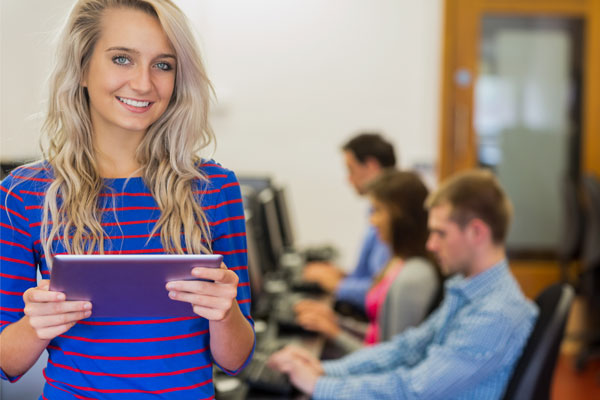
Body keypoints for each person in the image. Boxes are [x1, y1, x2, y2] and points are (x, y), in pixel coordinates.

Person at [0, 1, 254, 399]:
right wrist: (38, 324)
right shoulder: (24, 192)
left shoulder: (214, 188)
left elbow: (235, 359)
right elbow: (7, 364)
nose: (143, 84)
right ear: (82, 67)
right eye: (122, 59)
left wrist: (226, 312)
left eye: (163, 65)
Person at [268, 169, 539, 399]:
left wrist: (320, 385)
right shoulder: (468, 291)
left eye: (441, 233)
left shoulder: (495, 313)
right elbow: (406, 349)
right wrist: (325, 370)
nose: (431, 244)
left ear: (477, 232)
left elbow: (414, 390)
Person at [295, 170, 441, 354]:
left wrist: (336, 334)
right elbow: (379, 336)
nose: (372, 221)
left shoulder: (414, 276)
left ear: (401, 216)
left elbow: (392, 360)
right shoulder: (398, 262)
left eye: (378, 211)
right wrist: (335, 323)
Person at [303, 133, 395, 312]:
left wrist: (338, 286)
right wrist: (343, 276)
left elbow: (385, 291)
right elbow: (374, 274)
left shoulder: (392, 217)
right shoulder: (376, 211)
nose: (348, 179)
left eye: (351, 170)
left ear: (371, 166)